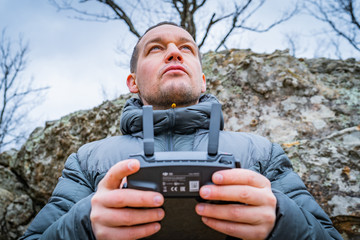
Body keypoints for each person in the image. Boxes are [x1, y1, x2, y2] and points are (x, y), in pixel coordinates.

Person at [21, 22, 342, 240]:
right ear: (132, 81)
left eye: (186, 48)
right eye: (156, 48)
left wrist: (280, 220)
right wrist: (85, 223)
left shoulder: (261, 152)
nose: (174, 52)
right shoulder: (88, 160)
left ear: (203, 79)